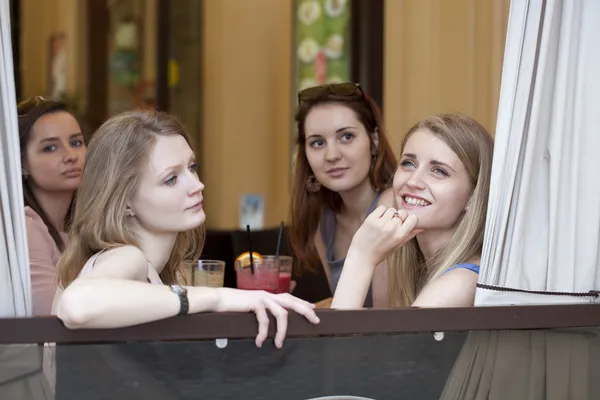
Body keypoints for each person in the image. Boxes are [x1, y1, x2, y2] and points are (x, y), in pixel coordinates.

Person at [53, 109, 319, 349]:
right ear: (124, 204)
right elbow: (77, 304)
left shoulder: (155, 270)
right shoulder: (126, 257)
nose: (196, 185)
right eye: (171, 179)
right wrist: (217, 298)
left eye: (192, 168)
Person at [332, 113, 494, 309]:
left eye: (439, 171)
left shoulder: (459, 283)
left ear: (473, 196)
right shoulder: (413, 266)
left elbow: (336, 340)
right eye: (408, 164)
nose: (413, 181)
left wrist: (360, 258)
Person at [289, 82, 397, 306]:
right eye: (317, 142)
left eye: (346, 137)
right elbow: (343, 306)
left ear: (373, 140)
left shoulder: (391, 207)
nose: (331, 155)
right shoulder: (324, 221)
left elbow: (386, 321)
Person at [18, 96, 86, 315]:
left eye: (76, 143)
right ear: (21, 163)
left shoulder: (84, 227)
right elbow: (55, 318)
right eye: (50, 148)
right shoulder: (27, 228)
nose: (70, 156)